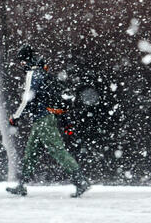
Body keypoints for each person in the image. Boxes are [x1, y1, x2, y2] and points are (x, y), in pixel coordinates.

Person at [6, 45, 90, 198]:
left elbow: (27, 99)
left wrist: (15, 117)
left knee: (57, 150)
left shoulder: (33, 74)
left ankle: (80, 181)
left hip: (44, 120)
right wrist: (65, 122)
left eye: (21, 61)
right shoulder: (43, 73)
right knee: (31, 153)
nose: (21, 65)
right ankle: (22, 185)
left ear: (25, 60)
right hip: (42, 120)